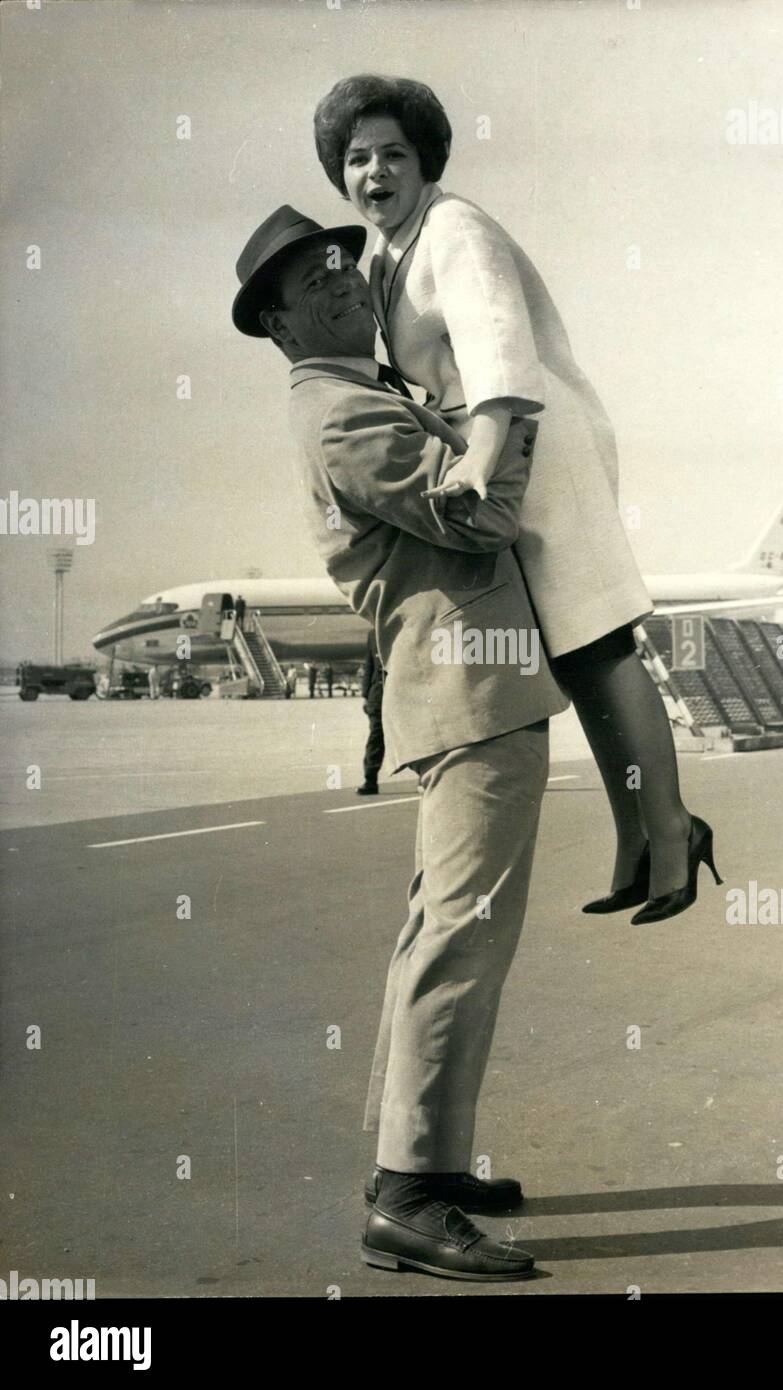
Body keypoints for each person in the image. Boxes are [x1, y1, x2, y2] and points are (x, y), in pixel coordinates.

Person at [233, 205, 571, 1280]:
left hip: (465, 684)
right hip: (466, 687)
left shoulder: (366, 392)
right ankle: (412, 1196)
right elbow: (476, 517)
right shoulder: (342, 413)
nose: (340, 281)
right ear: (278, 325)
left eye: (341, 265)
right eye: (310, 284)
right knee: (459, 939)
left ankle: (412, 1163)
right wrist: (507, 414)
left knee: (442, 928)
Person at [313, 75, 719, 924]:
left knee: (599, 643)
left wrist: (483, 455)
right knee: (575, 656)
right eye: (357, 158)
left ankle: (671, 827)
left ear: (427, 163)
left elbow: (499, 347)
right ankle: (638, 837)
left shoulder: (455, 227)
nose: (376, 172)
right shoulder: (387, 254)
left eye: (395, 154)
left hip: (535, 442)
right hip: (488, 455)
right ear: (338, 172)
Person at [357, 629, 384, 794]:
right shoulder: (373, 633)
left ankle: (423, 778)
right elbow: (369, 665)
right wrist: (366, 694)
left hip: (401, 694)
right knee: (375, 739)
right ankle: (370, 780)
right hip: (378, 696)